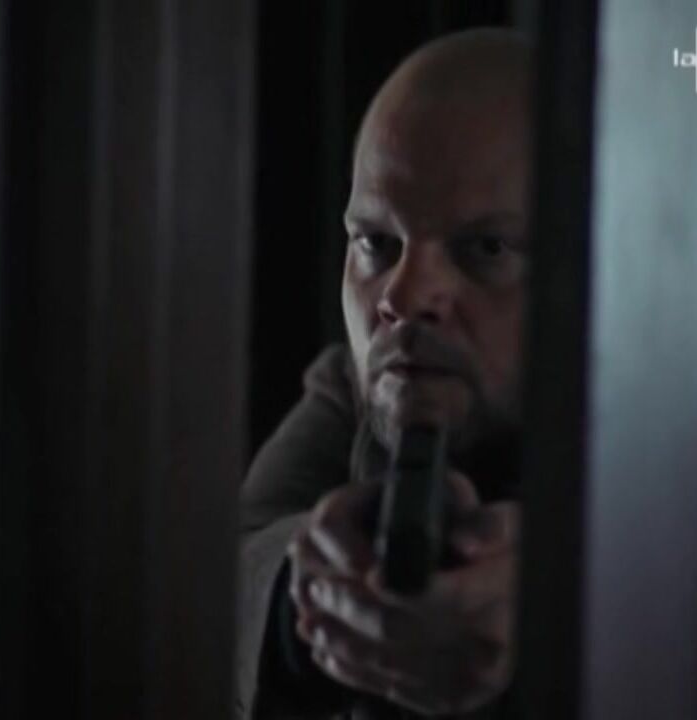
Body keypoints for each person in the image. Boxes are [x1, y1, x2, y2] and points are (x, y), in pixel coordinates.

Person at [237, 27, 531, 719]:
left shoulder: (692, 435)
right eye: (376, 242)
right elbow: (220, 581)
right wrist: (313, 596)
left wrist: (569, 594)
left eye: (485, 248)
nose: (404, 296)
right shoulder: (355, 386)